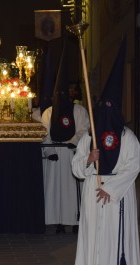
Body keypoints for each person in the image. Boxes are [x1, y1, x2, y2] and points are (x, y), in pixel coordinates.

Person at [72, 39, 140, 265]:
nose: (106, 113)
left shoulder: (128, 138)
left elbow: (133, 166)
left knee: (114, 240)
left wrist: (111, 188)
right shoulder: (89, 138)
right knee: (94, 237)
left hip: (117, 196)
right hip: (93, 190)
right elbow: (76, 167)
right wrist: (89, 160)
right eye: (103, 108)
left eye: (111, 108)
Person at [41, 43, 89, 234]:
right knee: (56, 193)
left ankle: (75, 222)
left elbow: (84, 130)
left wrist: (74, 144)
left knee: (71, 193)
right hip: (55, 159)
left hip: (71, 157)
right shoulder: (49, 113)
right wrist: (50, 150)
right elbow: (43, 134)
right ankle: (58, 222)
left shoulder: (79, 110)